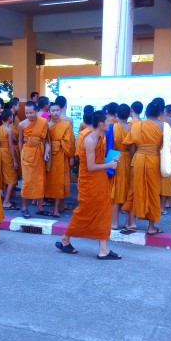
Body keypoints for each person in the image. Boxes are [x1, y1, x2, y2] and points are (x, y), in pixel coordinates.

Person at [55, 111, 121, 259]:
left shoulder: (101, 137)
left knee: (103, 211)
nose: (110, 123)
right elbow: (91, 166)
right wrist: (109, 165)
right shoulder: (90, 140)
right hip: (90, 181)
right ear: (101, 124)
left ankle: (103, 249)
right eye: (107, 121)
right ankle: (65, 238)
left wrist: (111, 160)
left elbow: (99, 160)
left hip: (100, 179)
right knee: (84, 211)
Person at [122, 101, 165, 235]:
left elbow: (131, 146)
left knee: (134, 189)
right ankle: (151, 227)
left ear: (146, 113)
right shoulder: (164, 126)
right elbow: (167, 147)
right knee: (153, 191)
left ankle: (131, 223)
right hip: (155, 160)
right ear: (159, 113)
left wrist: (134, 158)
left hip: (139, 159)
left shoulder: (137, 126)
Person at [18, 101, 50, 219]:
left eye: (31, 112)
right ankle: (23, 207)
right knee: (27, 181)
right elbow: (20, 141)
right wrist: (22, 155)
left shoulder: (43, 122)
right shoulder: (22, 124)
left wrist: (46, 153)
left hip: (39, 154)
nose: (29, 115)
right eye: (26, 113)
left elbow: (45, 141)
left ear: (36, 111)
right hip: (27, 154)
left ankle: (40, 207)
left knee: (40, 180)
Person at [44, 102, 75, 218]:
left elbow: (70, 142)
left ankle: (57, 208)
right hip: (49, 157)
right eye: (53, 110)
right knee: (51, 182)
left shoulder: (66, 125)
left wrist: (71, 156)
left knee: (60, 181)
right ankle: (59, 205)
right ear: (49, 112)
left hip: (62, 155)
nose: (56, 113)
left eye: (57, 110)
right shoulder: (46, 125)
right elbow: (44, 140)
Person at [111, 104, 135, 232]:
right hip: (129, 159)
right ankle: (128, 222)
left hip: (115, 158)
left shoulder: (113, 127)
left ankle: (114, 222)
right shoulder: (132, 128)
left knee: (116, 191)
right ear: (129, 114)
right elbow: (133, 148)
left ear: (116, 114)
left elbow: (110, 145)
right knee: (128, 191)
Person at [0, 109, 19, 209]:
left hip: (0, 152)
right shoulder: (9, 130)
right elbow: (11, 146)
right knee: (12, 178)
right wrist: (15, 160)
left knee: (4, 176)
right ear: (10, 118)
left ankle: (7, 198)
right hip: (7, 152)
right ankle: (6, 201)